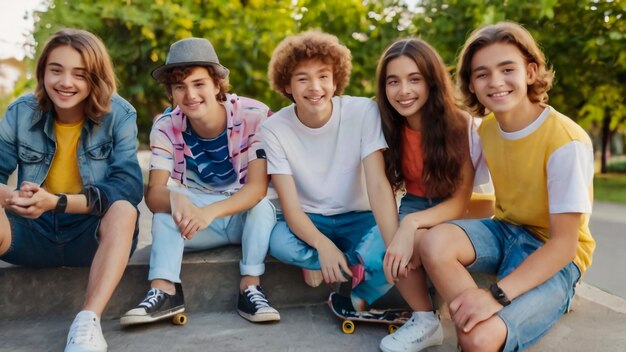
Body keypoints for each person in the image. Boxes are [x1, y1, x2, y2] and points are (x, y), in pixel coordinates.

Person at [419, 22, 595, 351]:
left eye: (507, 69)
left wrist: (496, 295)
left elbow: (564, 245)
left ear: (530, 72)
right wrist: (411, 223)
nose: (495, 82)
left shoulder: (565, 142)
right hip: (505, 231)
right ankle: (475, 311)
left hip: (552, 252)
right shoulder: (485, 129)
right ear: (471, 83)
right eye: (482, 73)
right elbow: (472, 198)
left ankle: (522, 306)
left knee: (476, 339)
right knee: (432, 242)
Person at [0, 29, 143, 352]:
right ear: (43, 72)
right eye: (56, 70)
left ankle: (87, 323)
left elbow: (129, 185)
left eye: (79, 74)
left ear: (96, 78)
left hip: (88, 236)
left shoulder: (119, 114)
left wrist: (58, 202)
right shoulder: (21, 112)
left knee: (124, 209)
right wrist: (16, 199)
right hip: (31, 231)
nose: (66, 82)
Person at [121, 37, 280, 326]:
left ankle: (250, 287)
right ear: (171, 92)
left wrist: (208, 212)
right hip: (199, 221)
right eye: (179, 87)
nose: (190, 94)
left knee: (263, 207)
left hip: (247, 218)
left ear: (217, 84)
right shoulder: (166, 126)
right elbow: (154, 194)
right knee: (166, 210)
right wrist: (176, 198)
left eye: (198, 84)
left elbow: (257, 188)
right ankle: (164, 290)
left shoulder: (255, 116)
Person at [262, 31, 399, 312]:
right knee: (278, 243)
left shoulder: (362, 111)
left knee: (395, 245)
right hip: (310, 219)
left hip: (361, 217)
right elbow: (290, 206)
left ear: (336, 79)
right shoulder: (273, 128)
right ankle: (336, 260)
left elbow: (377, 185)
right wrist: (321, 246)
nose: (315, 87)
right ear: (287, 85)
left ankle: (353, 276)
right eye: (303, 78)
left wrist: (392, 238)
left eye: (323, 76)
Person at [375, 38, 491, 352]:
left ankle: (482, 328)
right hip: (415, 201)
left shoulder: (460, 125)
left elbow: (460, 200)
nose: (403, 91)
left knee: (414, 240)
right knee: (391, 249)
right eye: (393, 81)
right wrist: (404, 228)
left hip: (458, 208)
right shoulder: (386, 126)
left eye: (415, 79)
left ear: (432, 82)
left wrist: (411, 224)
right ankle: (425, 320)